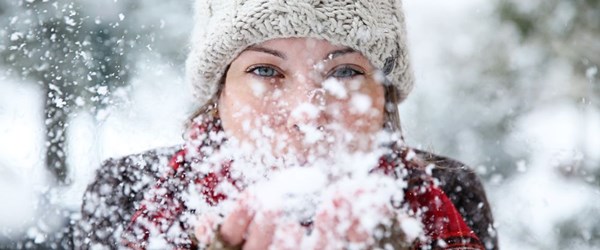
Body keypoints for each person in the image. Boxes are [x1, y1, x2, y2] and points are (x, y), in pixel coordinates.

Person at [74, 0, 498, 249]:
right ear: (218, 94)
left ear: (383, 95)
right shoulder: (128, 193)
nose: (306, 115)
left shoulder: (451, 193)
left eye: (345, 72)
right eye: (265, 71)